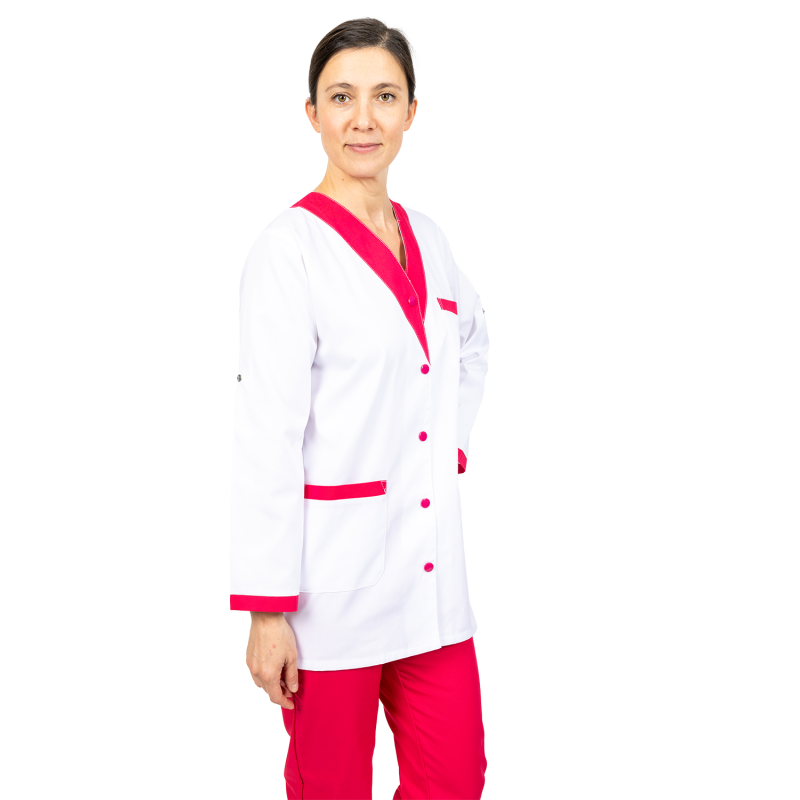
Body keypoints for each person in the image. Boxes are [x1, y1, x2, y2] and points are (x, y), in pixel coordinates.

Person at [229, 15, 489, 799]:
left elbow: (469, 346)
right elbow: (266, 433)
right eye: (341, 97)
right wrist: (267, 610)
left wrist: (448, 447)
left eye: (385, 95)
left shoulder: (430, 238)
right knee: (332, 787)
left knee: (456, 780)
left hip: (430, 582)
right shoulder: (287, 251)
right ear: (311, 111)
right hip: (329, 589)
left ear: (413, 110)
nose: (363, 118)